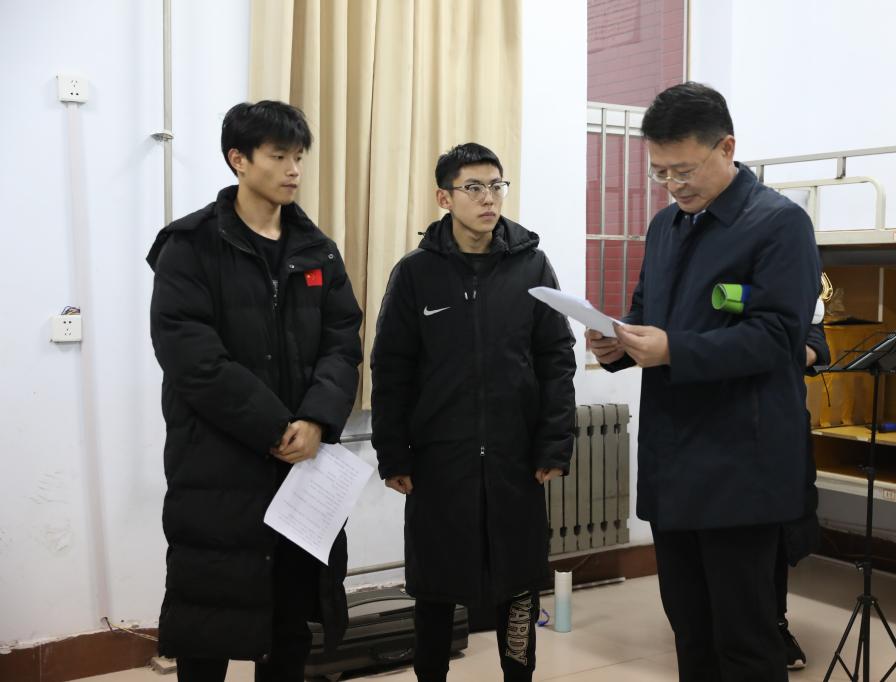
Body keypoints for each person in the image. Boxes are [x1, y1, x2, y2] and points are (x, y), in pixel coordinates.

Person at [587, 82, 821, 681]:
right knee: (690, 632)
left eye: (684, 170)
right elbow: (649, 313)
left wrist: (674, 349)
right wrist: (618, 345)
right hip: (674, 460)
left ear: (727, 148)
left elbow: (779, 337)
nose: (673, 184)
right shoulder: (665, 227)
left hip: (740, 463)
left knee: (744, 639)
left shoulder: (779, 224)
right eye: (660, 172)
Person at [146, 100, 363, 682]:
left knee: (290, 624)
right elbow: (192, 358)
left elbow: (343, 341)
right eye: (279, 156)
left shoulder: (317, 249)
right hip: (216, 466)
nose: (294, 169)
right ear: (238, 159)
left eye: (299, 157)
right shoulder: (190, 246)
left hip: (300, 465)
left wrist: (316, 420)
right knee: (207, 620)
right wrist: (274, 427)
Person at [371, 142, 576, 682]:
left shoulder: (532, 265)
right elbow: (390, 368)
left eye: (496, 186)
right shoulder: (416, 273)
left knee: (519, 584)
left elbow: (556, 359)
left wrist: (554, 444)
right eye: (474, 188)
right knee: (435, 587)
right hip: (440, 461)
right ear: (445, 198)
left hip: (515, 458)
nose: (489, 199)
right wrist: (393, 453)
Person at [778, 324, 831, 669]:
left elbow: (816, 345)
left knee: (777, 538)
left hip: (783, 419)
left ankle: (776, 625)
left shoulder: (799, 295)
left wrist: (771, 351)